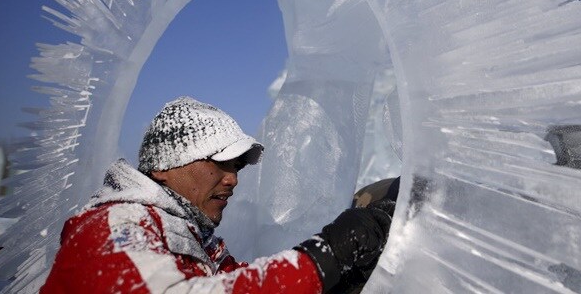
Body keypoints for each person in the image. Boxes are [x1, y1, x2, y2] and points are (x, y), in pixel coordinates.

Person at [41, 97, 392, 293]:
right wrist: (326, 257)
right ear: (165, 165)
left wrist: (341, 279)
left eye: (237, 167)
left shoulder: (197, 242)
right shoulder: (116, 224)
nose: (233, 179)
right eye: (221, 163)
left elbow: (243, 281)